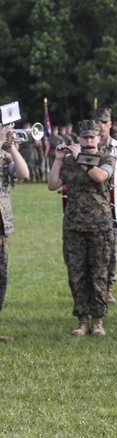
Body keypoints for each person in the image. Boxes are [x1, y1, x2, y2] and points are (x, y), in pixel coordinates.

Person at [48, 120, 115, 336]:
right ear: (79, 139)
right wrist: (59, 160)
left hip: (99, 225)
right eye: (84, 137)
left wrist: (79, 158)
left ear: (98, 138)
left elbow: (99, 176)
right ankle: (82, 320)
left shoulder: (106, 158)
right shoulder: (68, 162)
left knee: (98, 273)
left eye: (91, 137)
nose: (87, 141)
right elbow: (52, 185)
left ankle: (98, 321)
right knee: (76, 273)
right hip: (74, 225)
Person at [93, 108, 117, 305]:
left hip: (112, 206)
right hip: (91, 206)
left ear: (110, 124)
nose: (100, 126)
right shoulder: (88, 146)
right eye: (97, 122)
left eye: (104, 122)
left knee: (112, 248)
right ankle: (93, 287)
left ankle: (108, 288)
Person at [0, 126, 30, 342]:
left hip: (1, 227)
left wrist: (11, 147)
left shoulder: (3, 156)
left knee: (1, 278)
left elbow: (23, 173)